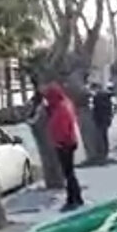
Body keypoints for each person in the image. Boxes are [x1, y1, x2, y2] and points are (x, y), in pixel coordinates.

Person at [42, 83, 84, 211]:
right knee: (69, 172)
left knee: (68, 172)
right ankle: (75, 197)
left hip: (65, 144)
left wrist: (60, 142)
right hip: (67, 142)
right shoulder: (62, 105)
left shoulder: (61, 108)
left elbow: (63, 127)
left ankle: (73, 198)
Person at [90, 82, 114, 157]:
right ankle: (105, 152)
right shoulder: (105, 95)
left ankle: (102, 152)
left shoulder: (98, 97)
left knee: (101, 136)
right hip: (106, 118)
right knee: (104, 136)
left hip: (100, 119)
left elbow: (97, 109)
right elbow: (109, 108)